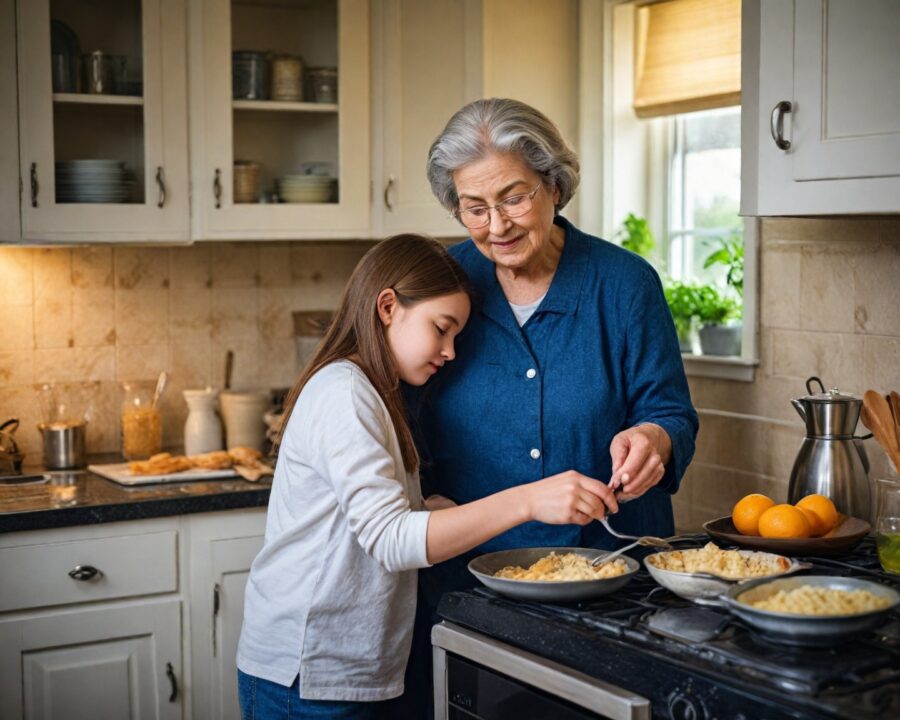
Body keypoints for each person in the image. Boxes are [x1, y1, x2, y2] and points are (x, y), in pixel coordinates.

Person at [236, 233, 620, 720]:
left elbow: (361, 521)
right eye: (441, 329)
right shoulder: (344, 393)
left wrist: (423, 510)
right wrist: (528, 501)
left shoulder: (371, 390)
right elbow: (390, 539)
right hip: (307, 676)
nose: (450, 351)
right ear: (388, 307)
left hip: (344, 672)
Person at [401, 98, 699, 715]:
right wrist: (422, 493)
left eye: (514, 198)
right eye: (474, 207)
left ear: (554, 186)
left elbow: (671, 411)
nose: (496, 225)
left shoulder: (624, 283)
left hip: (611, 583)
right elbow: (401, 415)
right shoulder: (441, 285)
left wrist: (655, 438)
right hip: (469, 589)